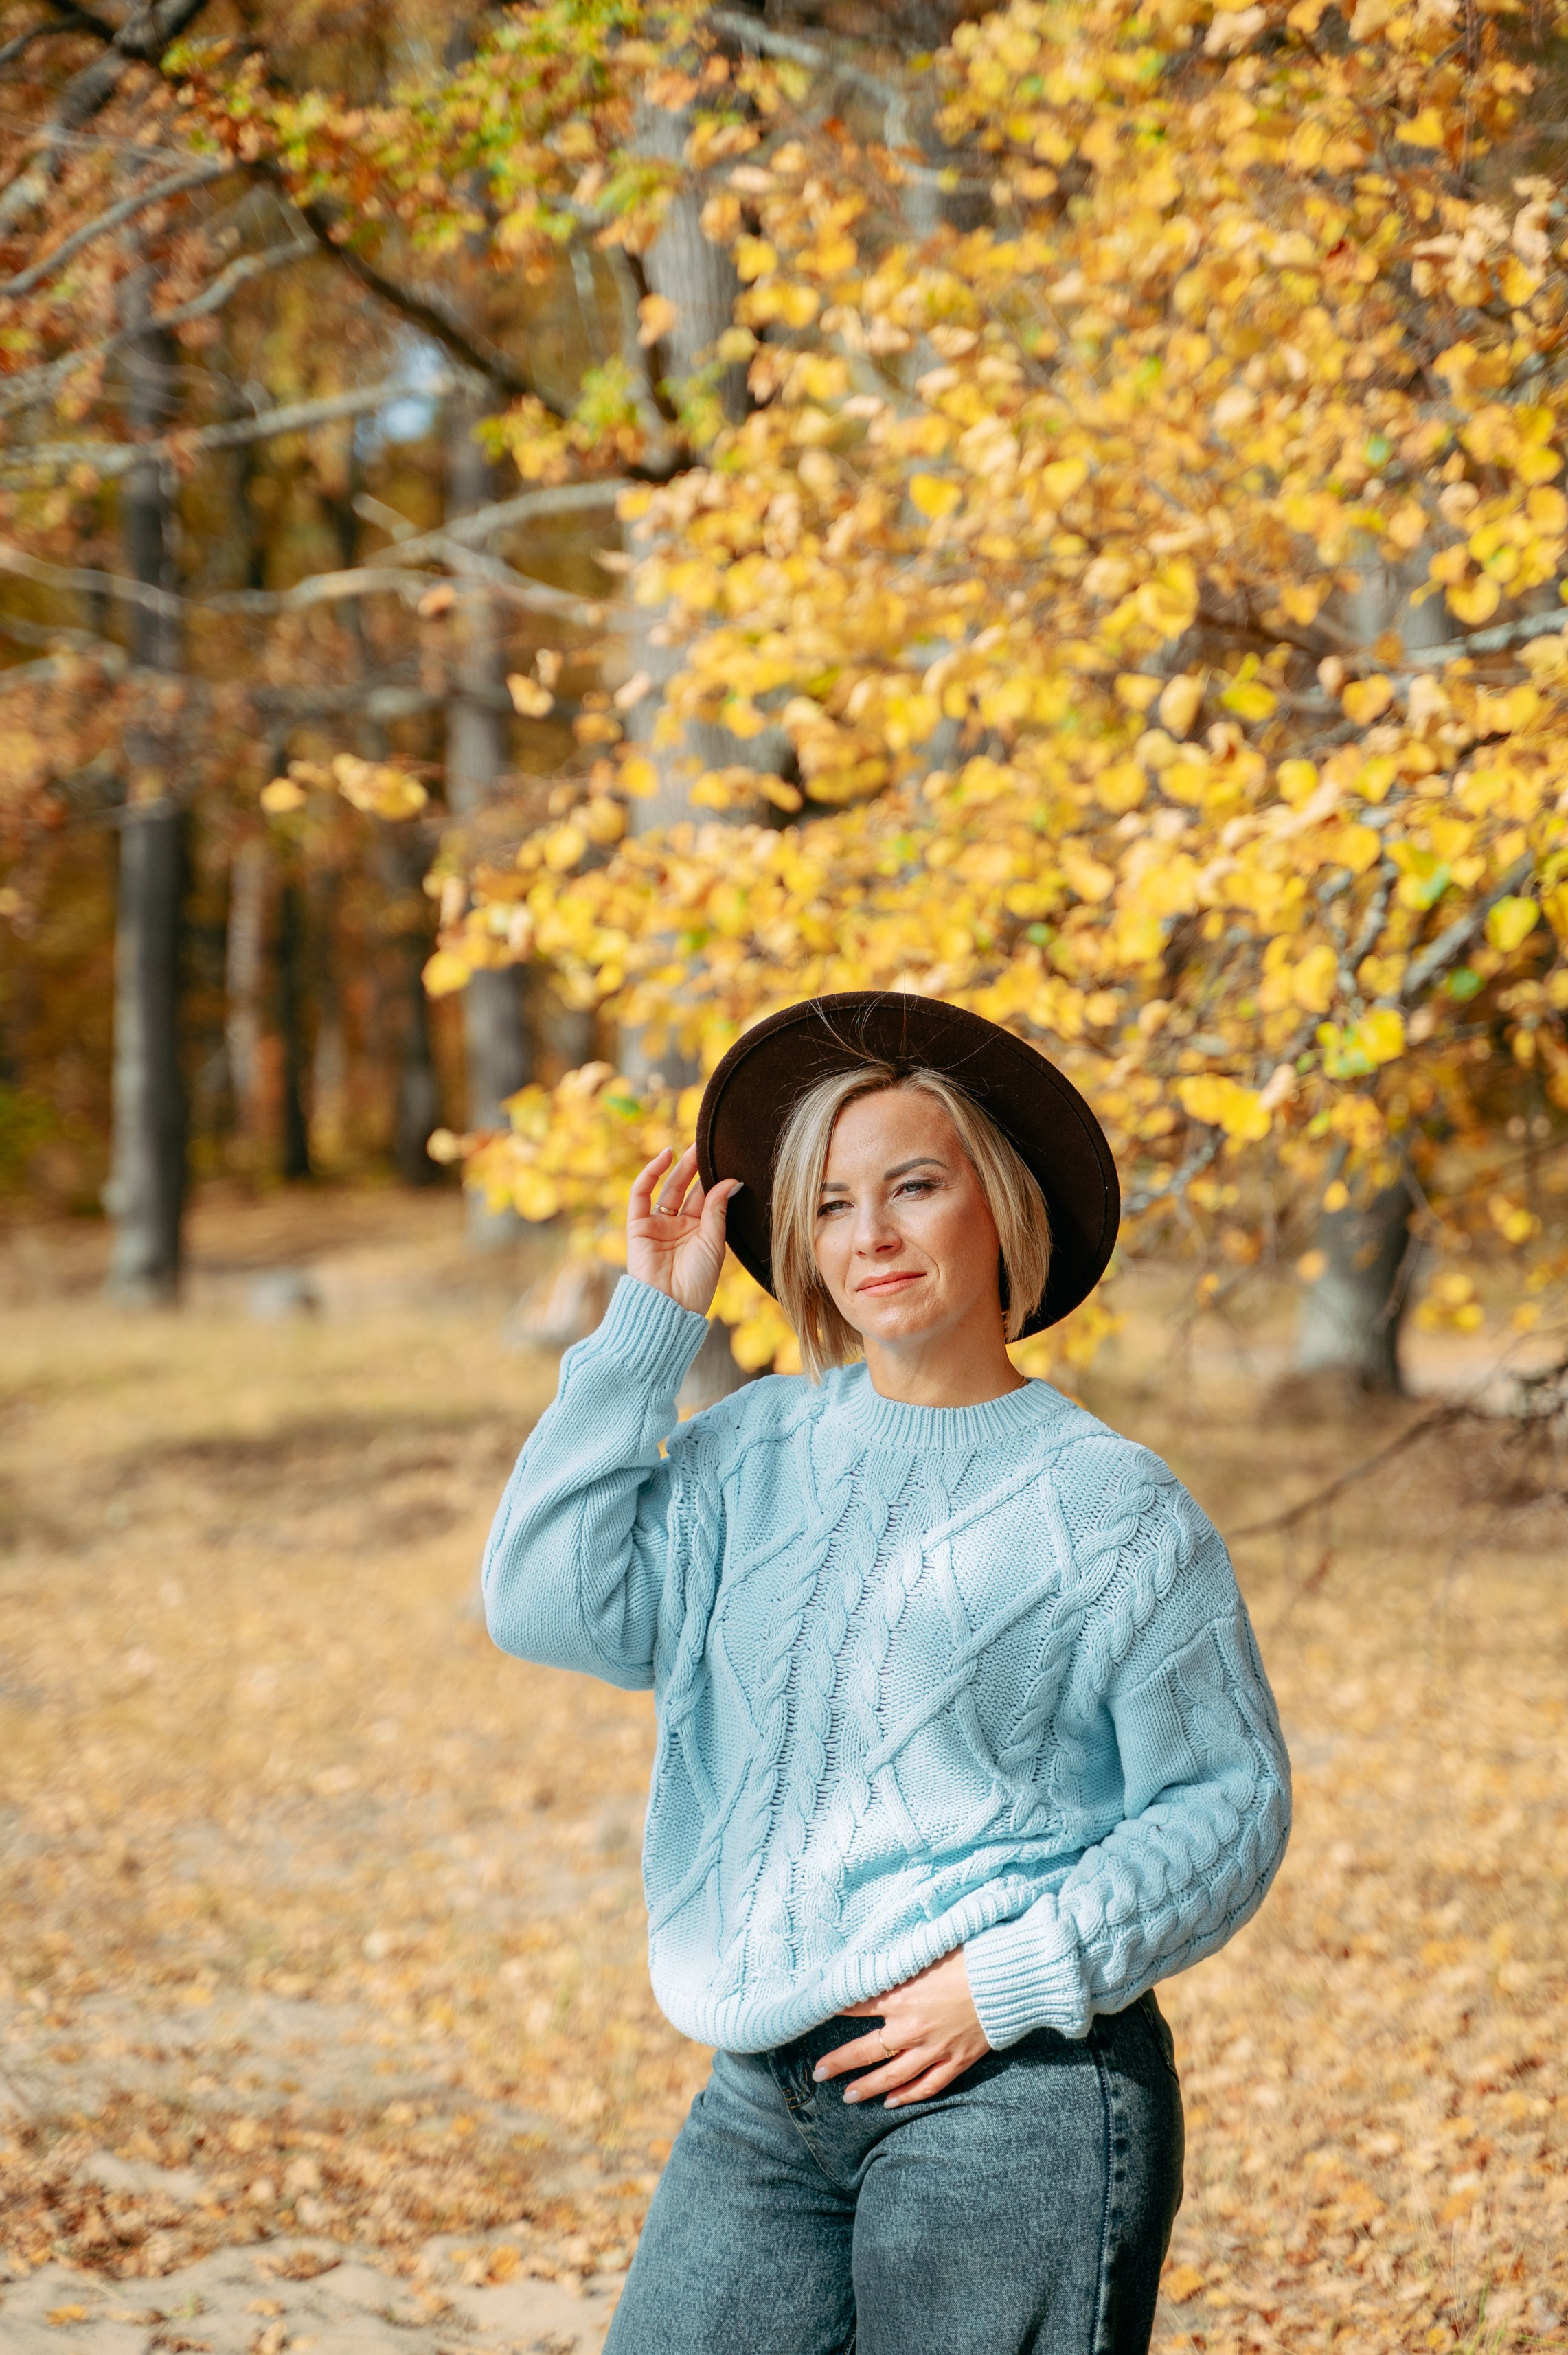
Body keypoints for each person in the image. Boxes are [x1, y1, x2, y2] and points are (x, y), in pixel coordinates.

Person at [483, 992, 1291, 2355]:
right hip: (765, 2092)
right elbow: (545, 1603)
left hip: (1014, 2089)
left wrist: (1019, 1978)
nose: (871, 1235)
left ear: (1001, 1207)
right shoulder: (748, 1455)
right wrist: (644, 1337)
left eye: (913, 1186)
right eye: (832, 1204)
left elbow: (1229, 1802)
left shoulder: (1109, 1505)